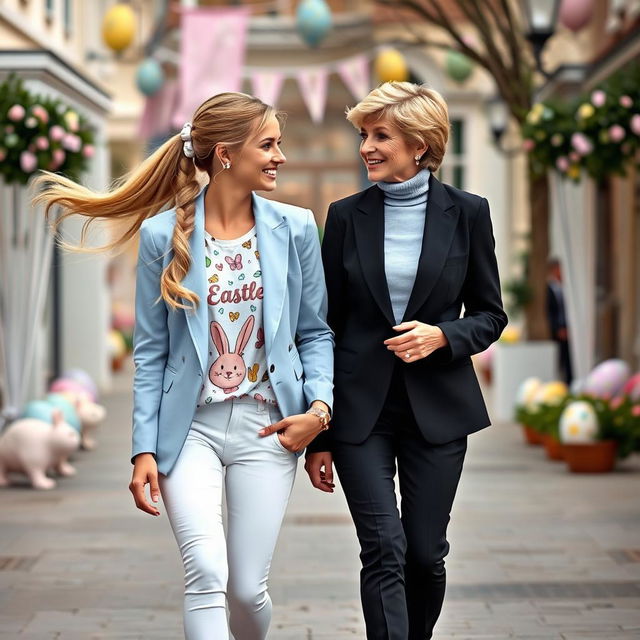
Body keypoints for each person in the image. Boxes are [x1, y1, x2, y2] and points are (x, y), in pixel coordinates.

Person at [34, 92, 334, 640]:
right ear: (225, 154)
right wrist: (143, 448)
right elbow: (150, 354)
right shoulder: (160, 236)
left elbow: (315, 332)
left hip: (271, 429)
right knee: (207, 574)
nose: (279, 157)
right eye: (267, 145)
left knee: (246, 589)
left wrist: (320, 413)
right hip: (188, 430)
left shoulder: (295, 228)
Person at [305, 82, 508, 640]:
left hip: (439, 410)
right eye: (363, 136)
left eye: (380, 136)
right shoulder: (345, 216)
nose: (366, 147)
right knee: (383, 549)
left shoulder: (468, 213)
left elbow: (491, 314)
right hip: (358, 412)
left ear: (420, 145)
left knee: (424, 555)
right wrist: (320, 430)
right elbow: (325, 324)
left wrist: (443, 336)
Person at [546, 257, 573, 384]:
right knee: (561, 357)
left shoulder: (567, 287)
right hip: (559, 329)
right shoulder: (550, 288)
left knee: (570, 357)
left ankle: (569, 380)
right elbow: (550, 312)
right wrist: (557, 329)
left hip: (569, 327)